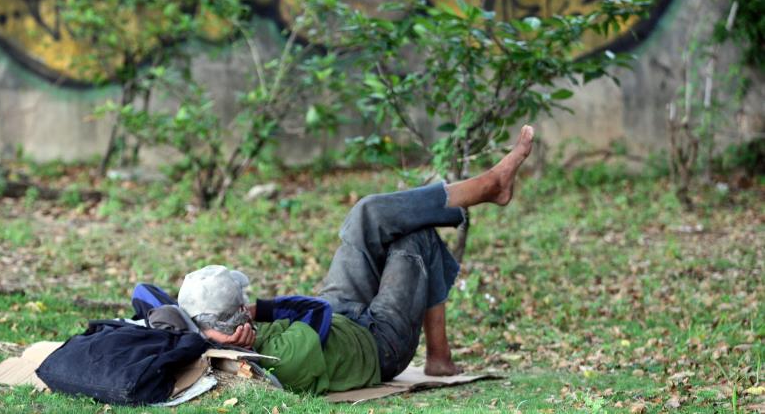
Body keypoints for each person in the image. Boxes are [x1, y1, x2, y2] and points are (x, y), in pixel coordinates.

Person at [177, 125, 535, 394]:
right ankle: (439, 352)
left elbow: (145, 298)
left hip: (342, 316)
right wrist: (259, 313)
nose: (247, 306)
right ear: (235, 317)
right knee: (416, 237)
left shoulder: (195, 336)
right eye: (242, 304)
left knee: (367, 215)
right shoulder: (276, 361)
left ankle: (487, 186)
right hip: (377, 345)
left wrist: (206, 332)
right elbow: (314, 310)